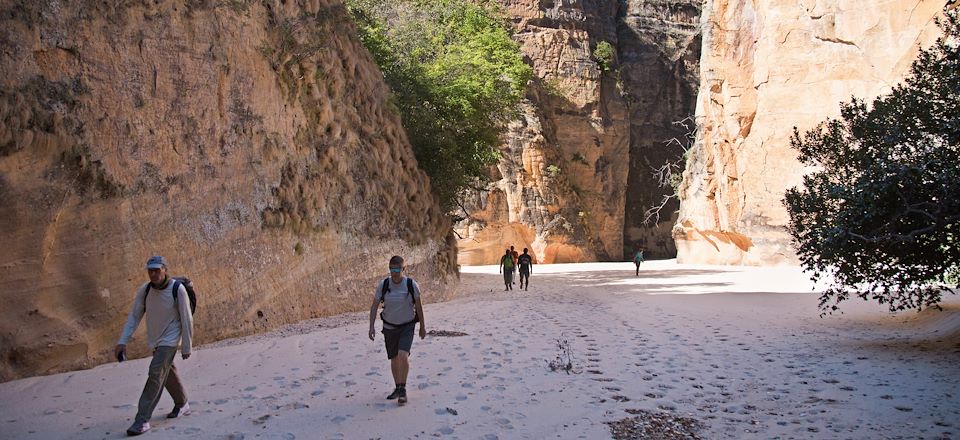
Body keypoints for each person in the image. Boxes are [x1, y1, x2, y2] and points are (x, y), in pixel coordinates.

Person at [116, 256, 194, 436]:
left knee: (155, 373)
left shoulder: (178, 289)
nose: (153, 273)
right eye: (150, 270)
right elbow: (134, 317)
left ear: (165, 269)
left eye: (157, 270)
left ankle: (141, 420)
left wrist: (186, 346)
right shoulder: (145, 290)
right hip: (156, 340)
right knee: (166, 372)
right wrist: (122, 340)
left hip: (171, 339)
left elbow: (186, 318)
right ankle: (182, 404)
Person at [368, 256, 426, 405]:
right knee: (393, 358)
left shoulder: (411, 285)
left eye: (397, 269)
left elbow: (419, 307)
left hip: (407, 325)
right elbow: (374, 306)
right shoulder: (384, 285)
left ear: (403, 269)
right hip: (389, 327)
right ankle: (398, 387)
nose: (394, 272)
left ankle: (403, 389)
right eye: (391, 269)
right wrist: (371, 326)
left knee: (402, 355)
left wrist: (422, 327)